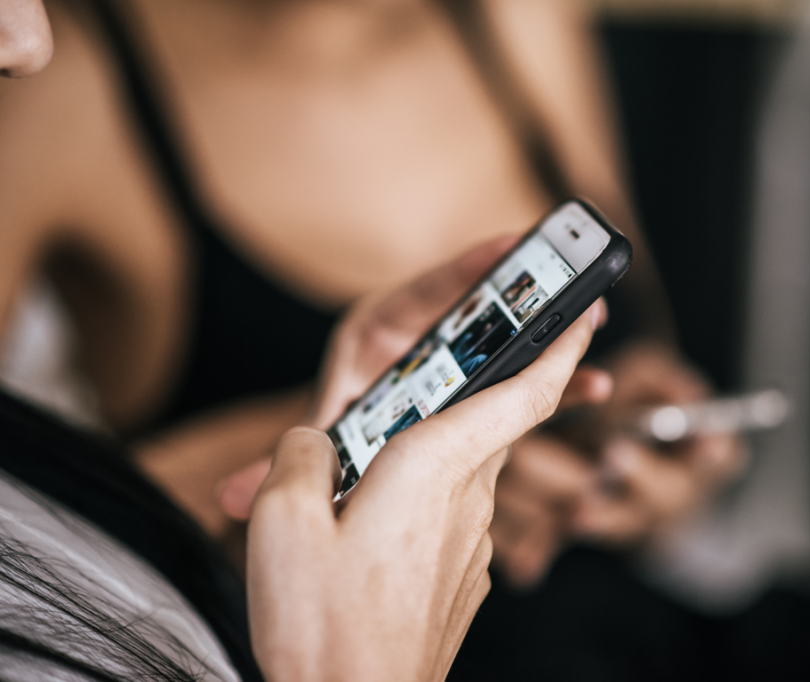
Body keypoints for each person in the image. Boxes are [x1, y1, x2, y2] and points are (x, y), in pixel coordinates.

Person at [0, 0, 743, 590]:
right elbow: (24, 551)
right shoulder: (41, 63)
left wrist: (646, 462)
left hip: (636, 628)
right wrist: (370, 445)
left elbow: (640, 340)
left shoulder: (517, 17)